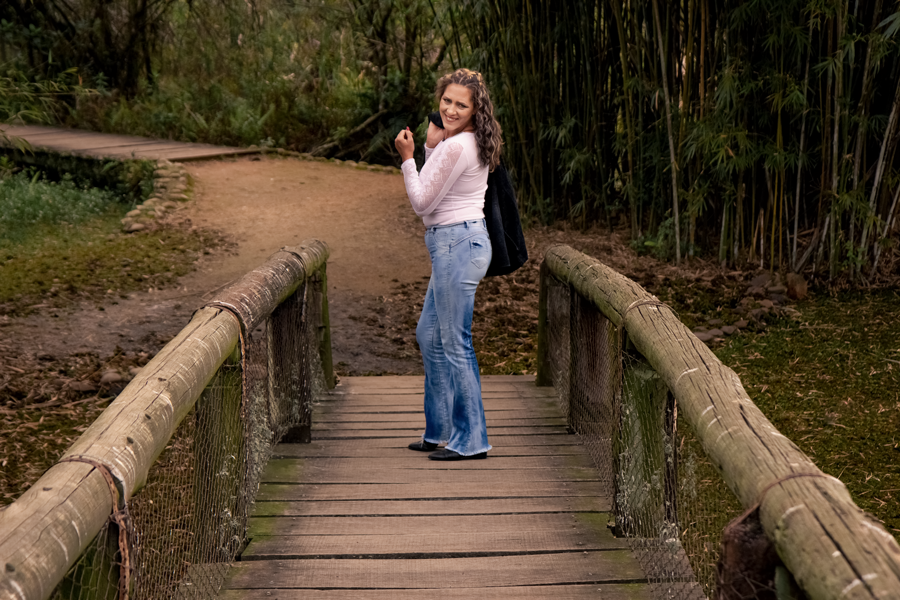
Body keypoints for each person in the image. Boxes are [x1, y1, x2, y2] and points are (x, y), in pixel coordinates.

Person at [393, 68, 503, 461]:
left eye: (462, 104)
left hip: (456, 244)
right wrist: (428, 145)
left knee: (455, 342)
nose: (451, 109)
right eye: (447, 101)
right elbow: (440, 185)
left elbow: (424, 202)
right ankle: (438, 429)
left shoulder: (459, 146)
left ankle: (471, 439)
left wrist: (408, 158)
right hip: (456, 244)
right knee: (430, 335)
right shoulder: (460, 143)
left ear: (476, 110)